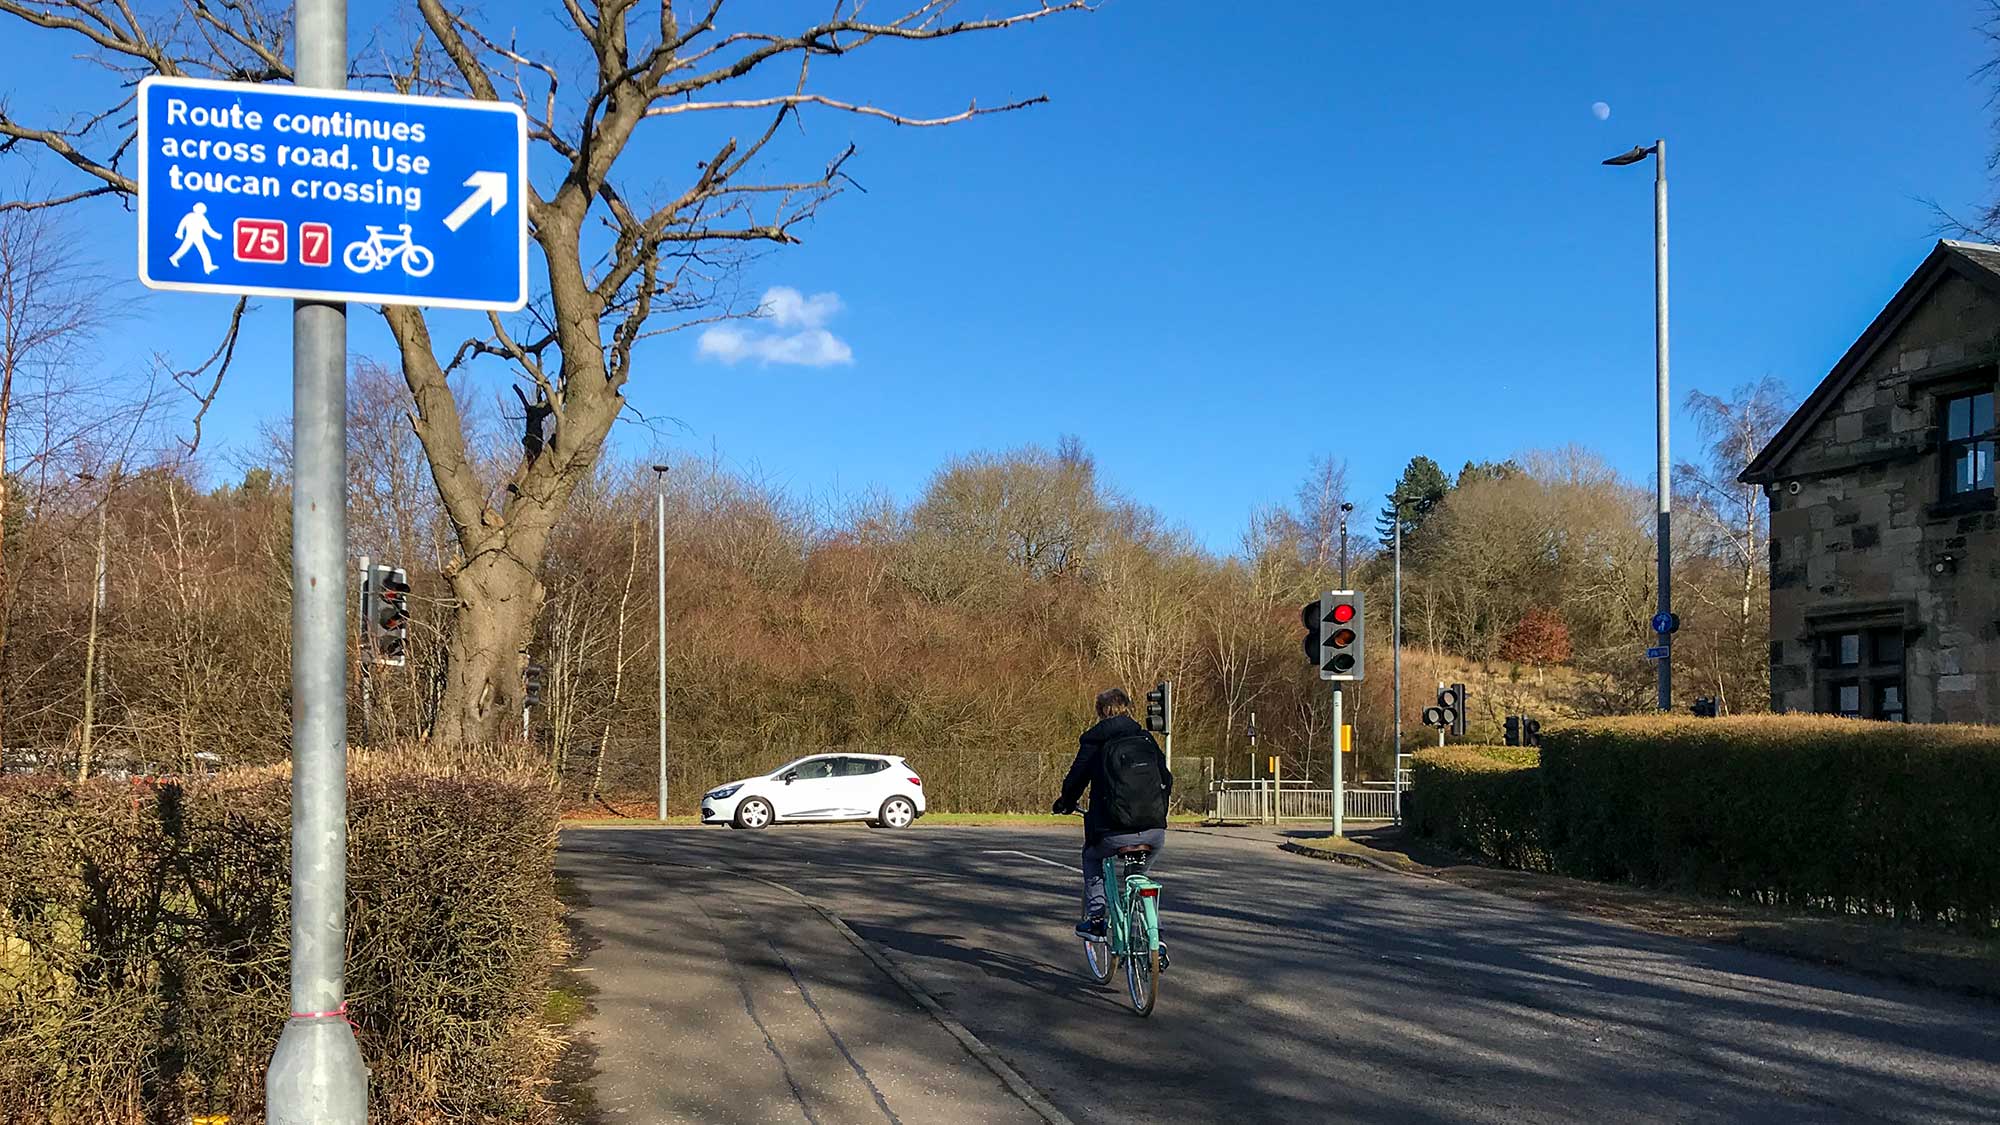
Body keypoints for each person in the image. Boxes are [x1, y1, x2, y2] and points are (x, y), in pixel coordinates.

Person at [1053, 687, 1172, 948]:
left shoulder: (1095, 742)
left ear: (1100, 712)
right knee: (1139, 874)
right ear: (1127, 708)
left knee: (1091, 855)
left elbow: (1076, 780)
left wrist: (1066, 803)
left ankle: (1096, 919)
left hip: (1113, 831)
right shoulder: (1146, 739)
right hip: (1154, 830)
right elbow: (1167, 778)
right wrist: (1158, 811)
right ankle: (1156, 939)